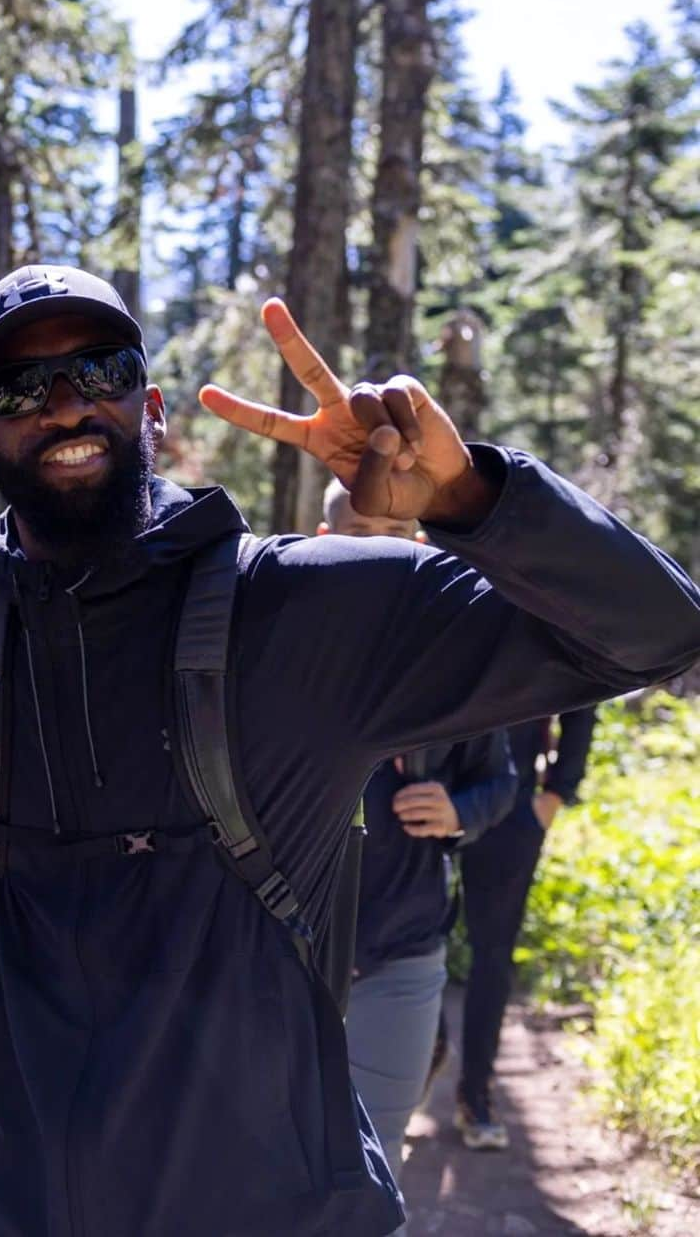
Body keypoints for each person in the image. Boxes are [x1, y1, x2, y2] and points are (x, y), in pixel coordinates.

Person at [0, 262, 699, 1237]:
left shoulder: (306, 612)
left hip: (278, 1208)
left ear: (153, 404)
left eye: (101, 366)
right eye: (15, 388)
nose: (63, 402)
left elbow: (652, 631)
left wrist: (472, 502)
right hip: (19, 1202)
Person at [320, 480, 518, 1227]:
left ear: (421, 543)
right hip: (282, 961)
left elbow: (499, 777)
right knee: (269, 1167)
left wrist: (457, 810)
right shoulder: (276, 651)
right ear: (318, 538)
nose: (379, 544)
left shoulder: (450, 663)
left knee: (377, 1173)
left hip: (401, 955)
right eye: (360, 528)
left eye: (397, 529)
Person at [455, 706, 598, 1150]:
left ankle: (475, 1092)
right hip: (420, 792)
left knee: (492, 953)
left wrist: (555, 794)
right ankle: (420, 1053)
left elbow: (583, 690)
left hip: (513, 810)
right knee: (408, 940)